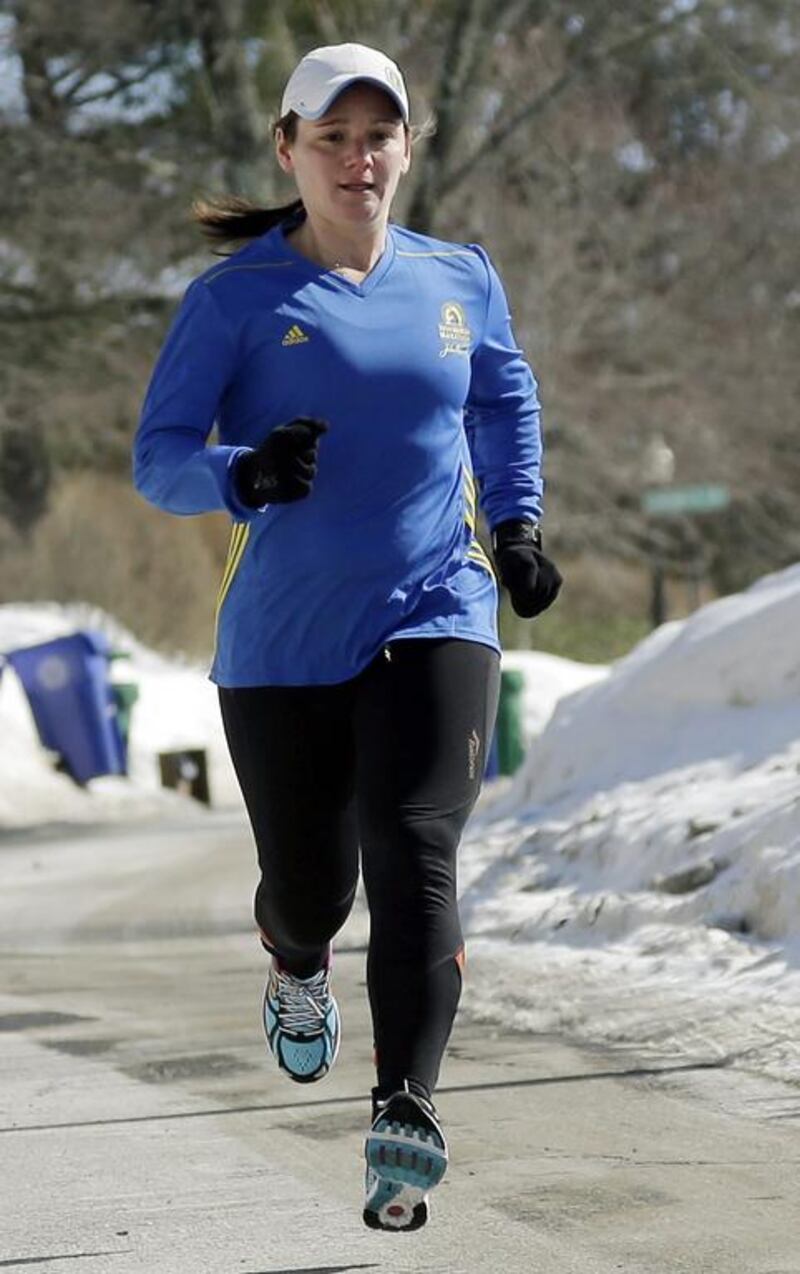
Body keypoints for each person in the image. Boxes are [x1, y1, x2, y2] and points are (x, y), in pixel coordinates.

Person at [133, 41, 562, 1232]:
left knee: (414, 846)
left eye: (377, 136)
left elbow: (500, 393)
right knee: (317, 887)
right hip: (280, 639)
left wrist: (515, 520)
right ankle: (292, 953)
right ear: (289, 149)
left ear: (405, 149)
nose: (356, 158)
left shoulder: (456, 278)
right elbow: (156, 458)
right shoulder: (235, 301)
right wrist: (242, 471)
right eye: (331, 137)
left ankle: (404, 1108)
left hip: (437, 605)